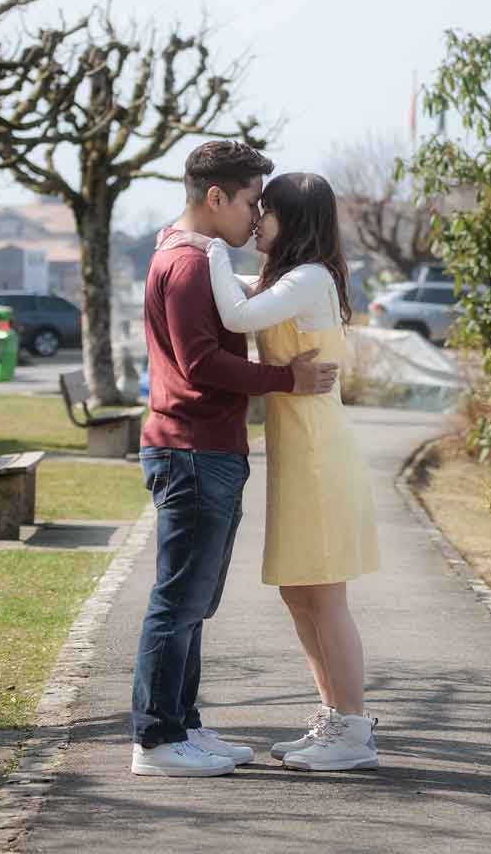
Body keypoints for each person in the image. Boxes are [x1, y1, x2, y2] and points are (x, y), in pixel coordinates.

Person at [129, 142, 340, 779]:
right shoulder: (191, 263)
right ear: (214, 197)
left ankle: (181, 724)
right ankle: (158, 740)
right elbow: (200, 363)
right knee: (179, 601)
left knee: (193, 601)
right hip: (192, 450)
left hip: (200, 447)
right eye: (250, 201)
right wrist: (286, 379)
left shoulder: (189, 252)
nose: (256, 217)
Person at [163, 171, 381, 771]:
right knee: (297, 591)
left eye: (268, 212)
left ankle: (355, 731)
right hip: (298, 448)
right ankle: (333, 718)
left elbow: (235, 315)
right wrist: (184, 245)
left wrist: (204, 245)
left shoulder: (308, 279)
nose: (256, 220)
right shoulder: (290, 279)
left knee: (325, 592)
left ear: (295, 222)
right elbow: (236, 292)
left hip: (317, 450)